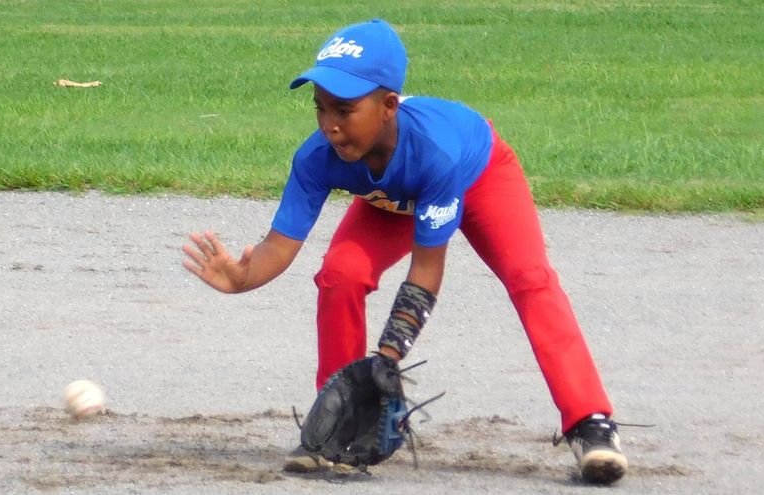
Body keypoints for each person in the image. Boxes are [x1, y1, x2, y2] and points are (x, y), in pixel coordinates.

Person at [182, 18, 628, 485]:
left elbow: (427, 268)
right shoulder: (317, 157)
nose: (330, 125)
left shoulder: (435, 151)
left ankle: (590, 421)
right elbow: (279, 244)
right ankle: (337, 420)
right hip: (394, 200)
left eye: (345, 109)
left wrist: (387, 359)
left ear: (389, 106)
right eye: (320, 108)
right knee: (341, 273)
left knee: (529, 276)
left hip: (479, 177)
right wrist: (243, 278)